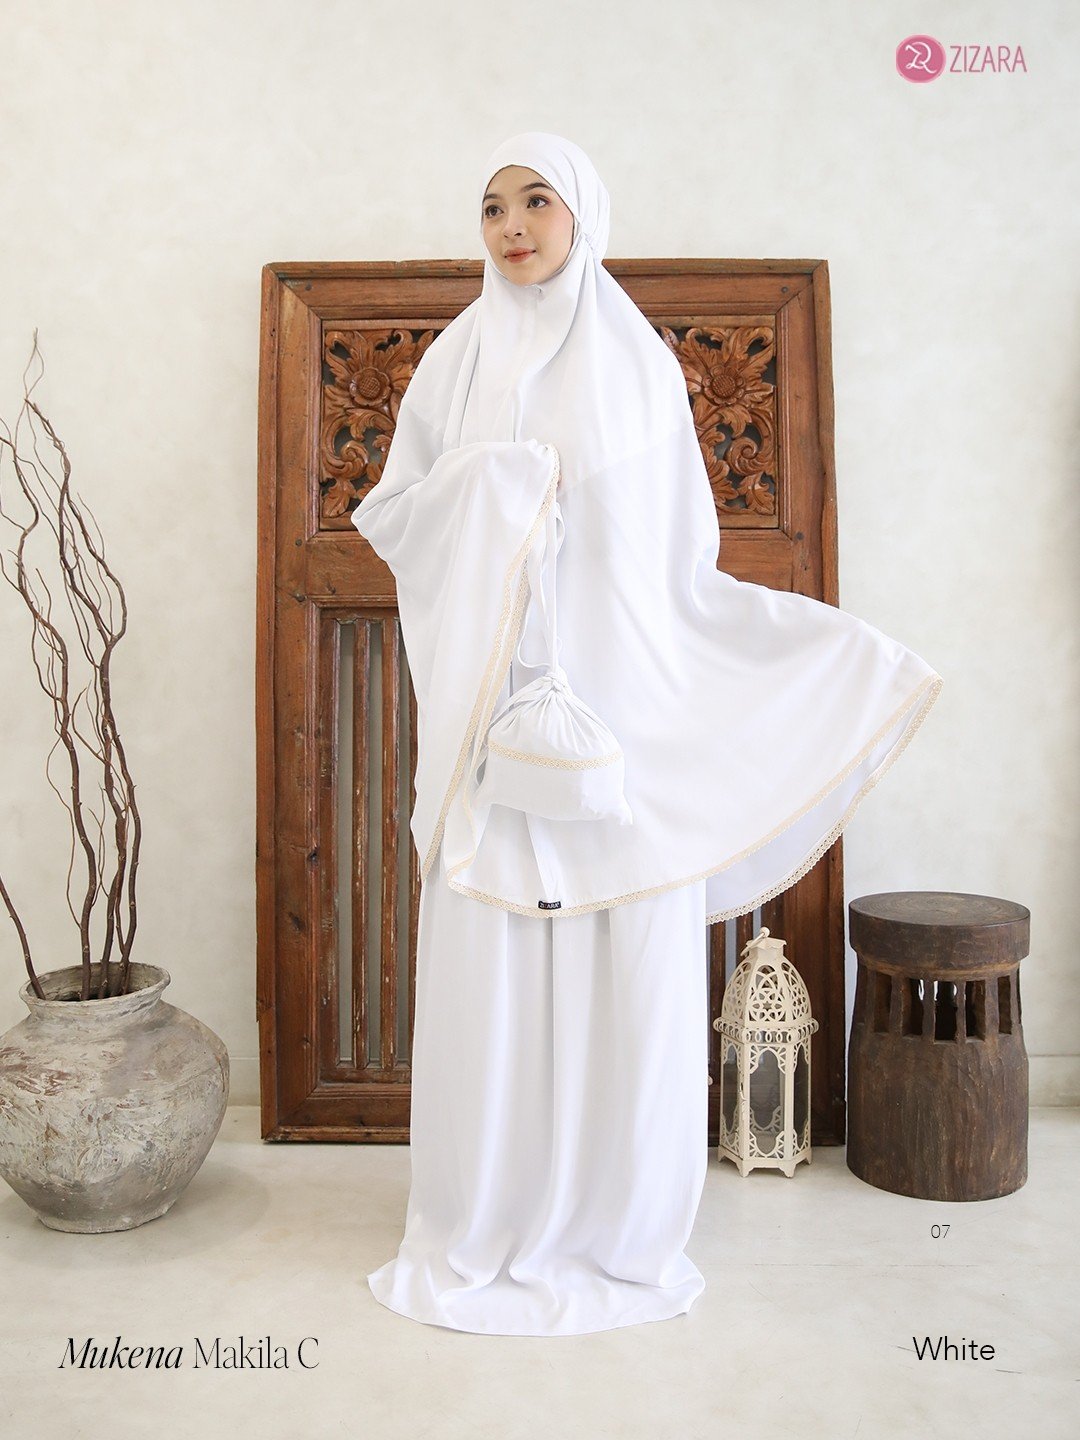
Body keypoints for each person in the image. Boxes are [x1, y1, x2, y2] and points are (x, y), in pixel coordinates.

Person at [351, 132, 944, 1336]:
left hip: (612, 717)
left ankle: (618, 1226)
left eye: (537, 201)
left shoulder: (634, 363)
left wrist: (565, 527)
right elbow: (397, 517)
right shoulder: (454, 362)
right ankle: (485, 1214)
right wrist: (500, 492)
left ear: (584, 215)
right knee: (495, 956)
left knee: (620, 951)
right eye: (492, 207)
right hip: (493, 717)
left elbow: (676, 558)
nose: (512, 227)